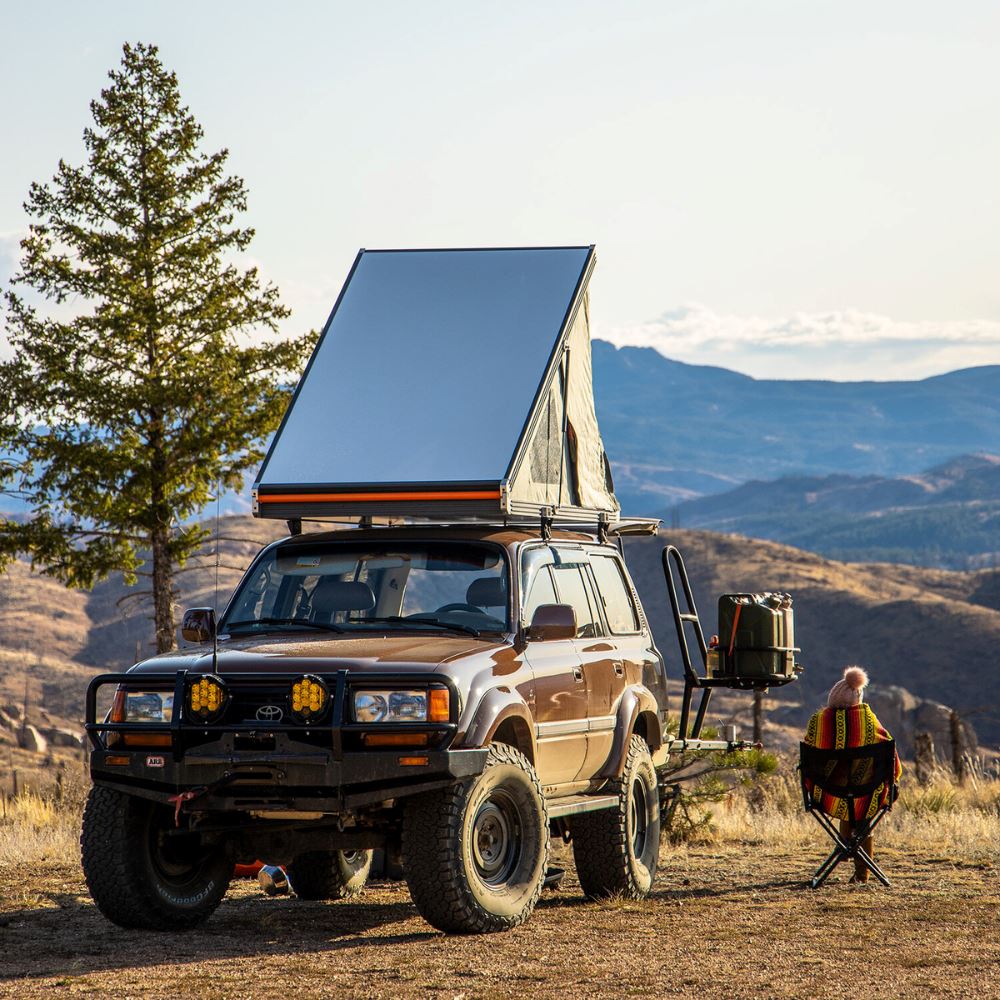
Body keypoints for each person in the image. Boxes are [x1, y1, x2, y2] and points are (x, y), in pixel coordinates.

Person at [803, 666, 902, 884]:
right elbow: (892, 763)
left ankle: (847, 846)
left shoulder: (818, 722)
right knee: (861, 803)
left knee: (847, 800)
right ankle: (861, 871)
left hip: (826, 797)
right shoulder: (869, 722)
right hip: (867, 797)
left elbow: (807, 762)